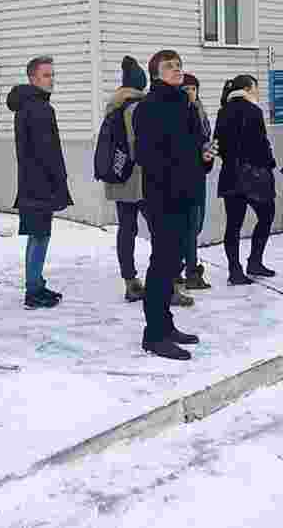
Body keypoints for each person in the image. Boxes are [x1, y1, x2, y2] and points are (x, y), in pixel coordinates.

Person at [134, 49, 213, 360]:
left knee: (174, 264)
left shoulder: (185, 103)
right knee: (162, 264)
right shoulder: (149, 107)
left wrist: (203, 159)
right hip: (163, 197)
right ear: (156, 73)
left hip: (187, 193)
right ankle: (153, 335)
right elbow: (148, 156)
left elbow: (193, 148)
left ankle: (166, 326)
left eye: (179, 65)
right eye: (169, 66)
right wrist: (183, 166)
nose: (177, 70)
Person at [7, 56, 73, 309]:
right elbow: (47, 152)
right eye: (46, 75)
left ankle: (37, 285)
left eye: (52, 75)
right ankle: (33, 291)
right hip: (39, 184)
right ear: (33, 79)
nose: (51, 79)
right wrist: (58, 180)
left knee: (40, 235)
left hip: (34, 182)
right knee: (38, 236)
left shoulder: (32, 106)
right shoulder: (37, 108)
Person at [215, 75, 277, 284]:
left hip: (230, 175)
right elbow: (260, 143)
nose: (258, 92)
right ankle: (255, 261)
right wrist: (269, 163)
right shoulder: (253, 111)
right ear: (249, 88)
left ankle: (235, 269)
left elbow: (218, 144)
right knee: (267, 215)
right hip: (254, 175)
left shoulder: (223, 111)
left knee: (233, 225)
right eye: (256, 88)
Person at [104, 56, 150, 302]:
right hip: (137, 178)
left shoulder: (114, 104)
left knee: (126, 229)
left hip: (117, 176)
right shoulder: (134, 107)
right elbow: (136, 145)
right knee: (160, 228)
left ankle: (130, 280)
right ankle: (167, 279)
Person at [179, 73, 213, 292]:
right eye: (186, 89)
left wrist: (207, 158)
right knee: (190, 226)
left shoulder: (200, 112)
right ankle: (189, 270)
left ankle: (185, 266)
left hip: (199, 175)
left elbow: (204, 141)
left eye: (193, 88)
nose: (191, 92)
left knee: (197, 224)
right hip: (183, 178)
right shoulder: (179, 113)